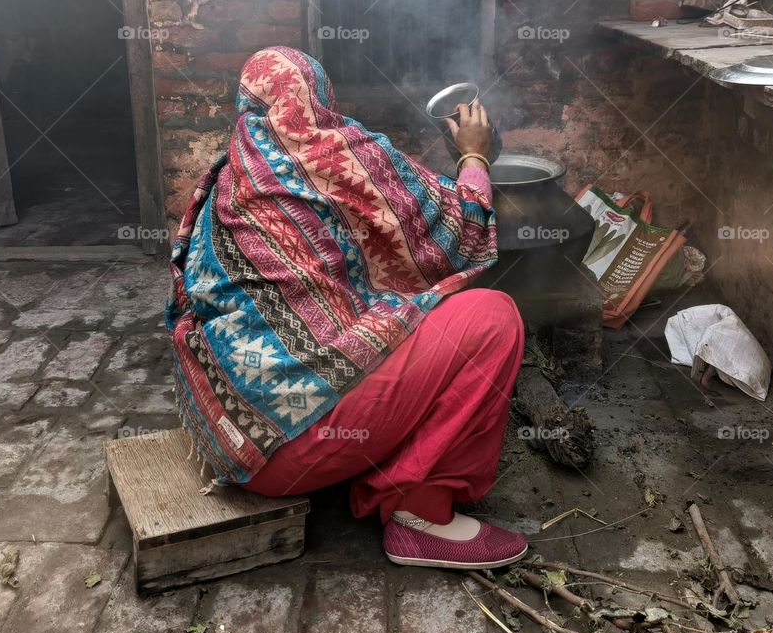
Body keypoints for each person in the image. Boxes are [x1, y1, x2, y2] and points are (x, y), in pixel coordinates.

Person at [166, 46, 527, 570]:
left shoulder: (232, 172)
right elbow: (460, 231)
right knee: (492, 317)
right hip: (295, 453)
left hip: (231, 439)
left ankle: (377, 451)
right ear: (320, 95)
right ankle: (422, 518)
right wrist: (474, 156)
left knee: (381, 319)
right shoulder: (343, 158)